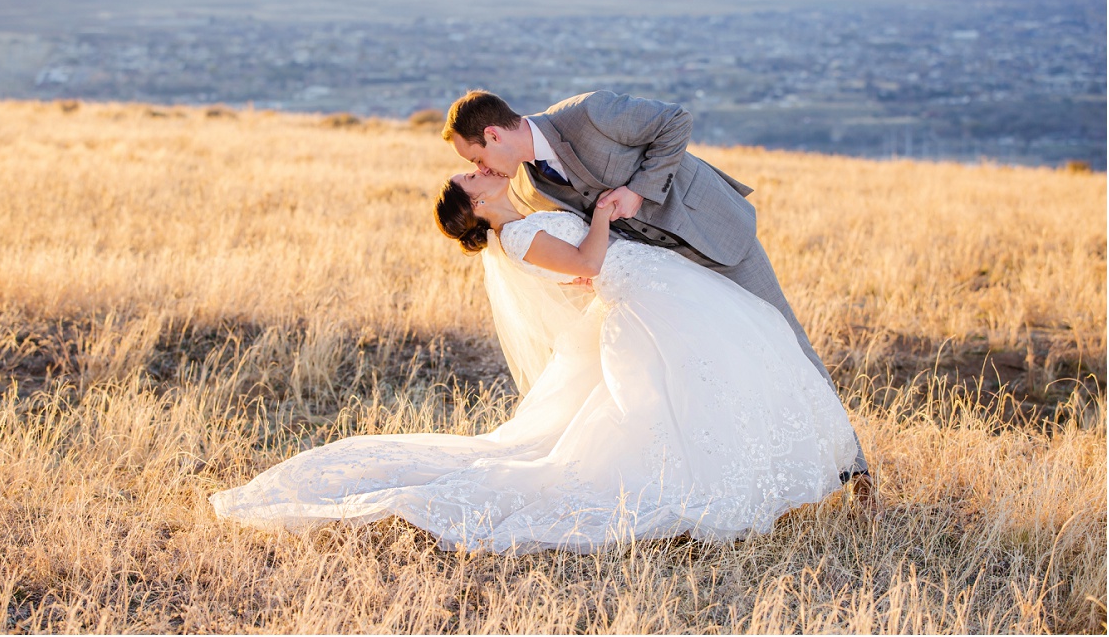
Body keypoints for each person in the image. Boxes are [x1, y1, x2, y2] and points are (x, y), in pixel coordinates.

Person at [210, 171, 860, 553]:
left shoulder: (522, 224)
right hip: (644, 300)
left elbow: (571, 275)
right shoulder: (515, 232)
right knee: (674, 406)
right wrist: (605, 214)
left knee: (707, 385)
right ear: (473, 207)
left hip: (653, 294)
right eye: (471, 179)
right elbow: (585, 262)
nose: (480, 172)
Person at [442, 89, 872, 497]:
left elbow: (674, 121)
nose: (483, 169)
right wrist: (583, 273)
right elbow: (572, 246)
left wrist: (637, 190)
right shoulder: (532, 188)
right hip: (663, 277)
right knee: (721, 365)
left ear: (494, 135)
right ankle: (757, 472)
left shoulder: (588, 114)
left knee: (787, 340)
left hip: (713, 232)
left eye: (477, 157)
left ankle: (856, 472)